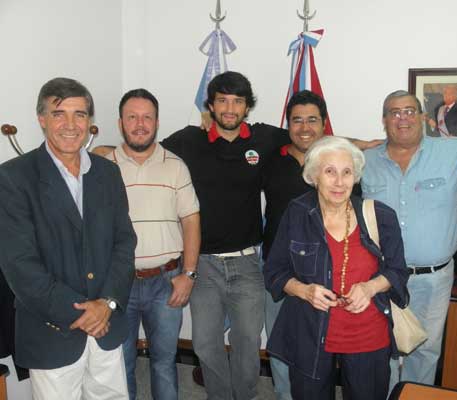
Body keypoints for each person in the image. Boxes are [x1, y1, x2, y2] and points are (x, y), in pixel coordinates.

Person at [161, 71, 377, 400]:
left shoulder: (264, 139)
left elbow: (312, 138)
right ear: (211, 105)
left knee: (249, 342)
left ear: (248, 107)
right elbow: (148, 152)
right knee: (205, 342)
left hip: (249, 261)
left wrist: (361, 144)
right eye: (222, 100)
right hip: (203, 263)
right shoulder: (190, 139)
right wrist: (107, 152)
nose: (230, 108)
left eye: (237, 101)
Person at [0, 77, 137, 400]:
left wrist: (108, 303)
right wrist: (82, 314)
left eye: (80, 114)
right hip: (54, 330)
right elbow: (20, 265)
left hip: (107, 325)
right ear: (41, 119)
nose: (70, 124)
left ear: (90, 122)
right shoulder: (13, 178)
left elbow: (123, 243)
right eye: (59, 113)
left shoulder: (107, 173)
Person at [264, 136, 409, 400]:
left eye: (346, 172)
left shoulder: (380, 215)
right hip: (310, 334)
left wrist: (370, 287)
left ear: (355, 177)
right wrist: (304, 290)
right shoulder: (296, 213)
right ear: (314, 176)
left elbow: (398, 271)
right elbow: (274, 272)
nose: (339, 182)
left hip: (367, 334)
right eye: (330, 171)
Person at [362, 90, 457, 388]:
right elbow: (320, 147)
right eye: (394, 112)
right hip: (380, 277)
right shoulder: (365, 160)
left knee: (424, 352)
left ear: (423, 117)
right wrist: (357, 143)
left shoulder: (455, 151)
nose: (403, 118)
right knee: (378, 350)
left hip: (432, 280)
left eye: (410, 111)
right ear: (384, 120)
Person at [106, 89, 200, 400]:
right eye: (132, 117)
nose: (140, 124)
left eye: (147, 117)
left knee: (163, 362)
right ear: (121, 123)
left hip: (166, 282)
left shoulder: (176, 166)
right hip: (118, 285)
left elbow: (191, 221)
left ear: (157, 123)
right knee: (121, 363)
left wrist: (188, 274)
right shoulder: (103, 168)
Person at [262, 90, 326, 400]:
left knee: (319, 340)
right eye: (297, 120)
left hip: (322, 269)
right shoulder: (271, 158)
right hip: (278, 266)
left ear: (324, 124)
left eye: (312, 120)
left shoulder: (335, 160)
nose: (304, 127)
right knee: (279, 341)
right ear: (287, 124)